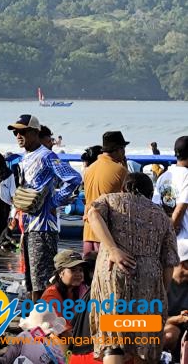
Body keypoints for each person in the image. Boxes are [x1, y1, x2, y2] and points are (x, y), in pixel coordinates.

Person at [87, 172, 178, 363]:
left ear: (123, 188)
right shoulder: (161, 215)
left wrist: (113, 249)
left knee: (114, 338)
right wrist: (162, 291)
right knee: (143, 338)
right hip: (148, 280)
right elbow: (169, 262)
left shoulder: (110, 200)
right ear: (150, 192)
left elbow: (93, 214)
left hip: (114, 273)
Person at [8, 114, 82, 301]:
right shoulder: (24, 158)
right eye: (16, 132)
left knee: (43, 280)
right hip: (29, 226)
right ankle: (37, 319)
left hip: (44, 227)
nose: (18, 135)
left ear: (35, 132)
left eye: (23, 131)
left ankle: (46, 320)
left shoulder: (47, 156)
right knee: (31, 279)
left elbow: (74, 178)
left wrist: (55, 201)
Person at [82, 130, 130, 257]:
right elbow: (130, 198)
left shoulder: (89, 169)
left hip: (88, 229)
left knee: (88, 273)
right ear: (118, 149)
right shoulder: (120, 170)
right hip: (105, 232)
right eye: (123, 149)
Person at [40, 249, 89, 333]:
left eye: (80, 270)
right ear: (60, 273)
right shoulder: (51, 296)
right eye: (73, 270)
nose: (78, 274)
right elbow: (61, 329)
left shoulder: (80, 289)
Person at [165, 137, 188, 254]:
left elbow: (157, 208)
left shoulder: (164, 176)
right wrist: (171, 230)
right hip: (184, 239)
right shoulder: (186, 176)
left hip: (170, 240)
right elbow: (180, 209)